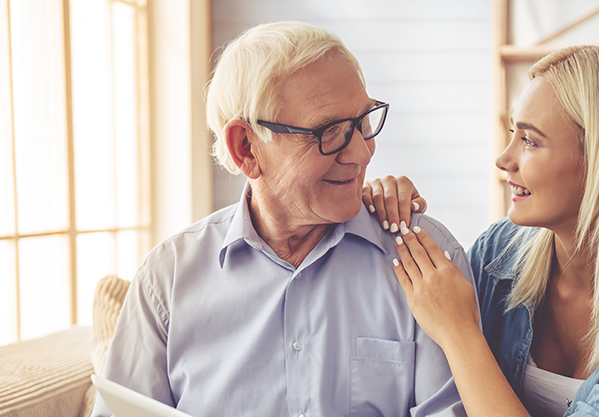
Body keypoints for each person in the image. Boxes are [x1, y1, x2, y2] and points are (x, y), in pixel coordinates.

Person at [91, 21, 473, 417]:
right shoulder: (166, 280)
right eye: (331, 131)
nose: (362, 152)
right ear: (246, 149)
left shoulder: (427, 260)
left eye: (362, 122)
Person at [363, 44, 599, 416]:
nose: (503, 159)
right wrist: (386, 210)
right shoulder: (498, 253)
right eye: (513, 134)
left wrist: (459, 333)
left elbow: (455, 335)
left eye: (529, 140)